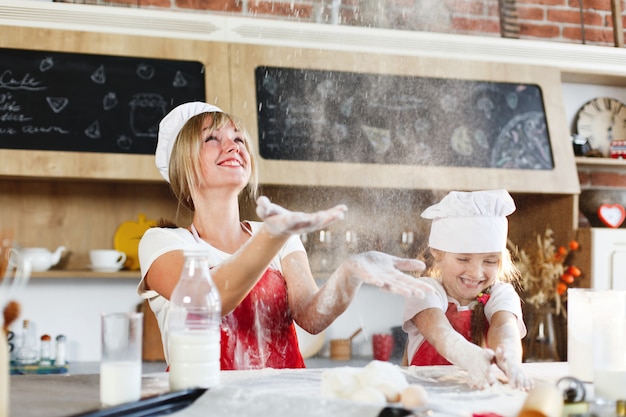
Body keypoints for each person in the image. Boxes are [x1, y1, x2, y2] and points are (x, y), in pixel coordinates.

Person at [138, 101, 428, 370]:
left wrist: (351, 272)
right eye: (212, 138)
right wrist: (273, 236)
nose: (233, 146)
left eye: (238, 139)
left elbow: (312, 318)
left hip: (284, 403)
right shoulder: (164, 243)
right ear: (182, 165)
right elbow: (209, 298)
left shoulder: (277, 234)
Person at [402, 189, 533, 391]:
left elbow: (504, 328)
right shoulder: (425, 291)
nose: (476, 272)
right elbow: (439, 332)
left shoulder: (500, 294)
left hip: (478, 398)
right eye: (463, 259)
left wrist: (511, 360)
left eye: (489, 261)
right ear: (437, 252)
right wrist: (471, 357)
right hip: (425, 398)